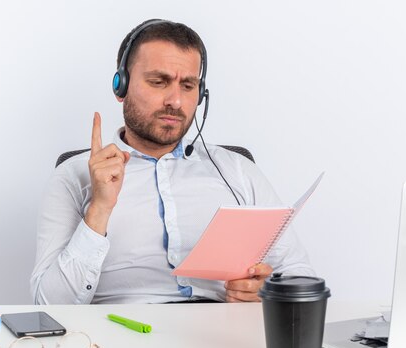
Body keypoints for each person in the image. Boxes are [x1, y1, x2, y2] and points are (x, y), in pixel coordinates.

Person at [30, 19, 314, 304]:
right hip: (122, 335)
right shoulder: (74, 175)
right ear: (121, 86)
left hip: (224, 335)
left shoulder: (238, 170)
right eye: (158, 82)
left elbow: (301, 277)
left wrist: (267, 292)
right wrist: (100, 209)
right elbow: (51, 305)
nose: (176, 101)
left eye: (188, 85)